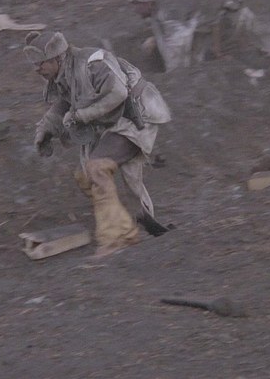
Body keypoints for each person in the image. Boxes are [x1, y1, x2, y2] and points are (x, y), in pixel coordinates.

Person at [24, 31, 172, 256]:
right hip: (111, 120)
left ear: (57, 58)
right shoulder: (64, 73)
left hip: (136, 116)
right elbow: (64, 103)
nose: (37, 69)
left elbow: (119, 93)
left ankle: (118, 236)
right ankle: (128, 220)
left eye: (41, 63)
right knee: (86, 175)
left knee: (98, 167)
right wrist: (46, 127)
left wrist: (81, 115)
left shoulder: (93, 63)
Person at [125, 0, 253, 71]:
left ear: (148, 3)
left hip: (232, 17)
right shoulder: (158, 10)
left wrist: (217, 51)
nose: (134, 9)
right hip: (208, 21)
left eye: (136, 4)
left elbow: (177, 61)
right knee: (195, 59)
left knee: (193, 63)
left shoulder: (170, 15)